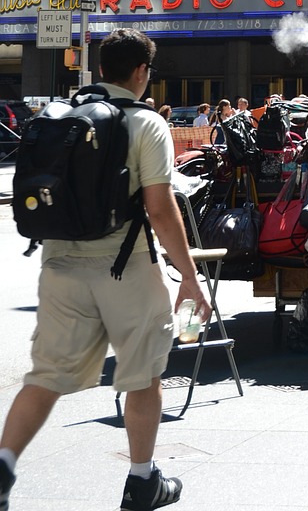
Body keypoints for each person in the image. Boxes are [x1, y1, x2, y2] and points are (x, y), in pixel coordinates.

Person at [0, 29, 210, 511]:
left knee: (46, 375)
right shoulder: (146, 123)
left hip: (57, 264)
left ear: (98, 69)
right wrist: (191, 280)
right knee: (143, 375)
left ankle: (4, 465)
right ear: (141, 72)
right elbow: (160, 209)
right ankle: (142, 482)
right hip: (124, 268)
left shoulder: (64, 116)